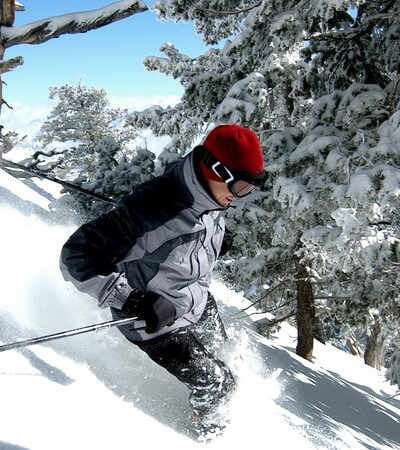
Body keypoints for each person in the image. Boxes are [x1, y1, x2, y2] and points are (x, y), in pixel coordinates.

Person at [59, 124, 266, 434]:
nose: (239, 199)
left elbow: (180, 239)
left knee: (224, 357)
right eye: (240, 189)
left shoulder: (206, 191)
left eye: (249, 190)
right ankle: (207, 437)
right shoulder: (156, 211)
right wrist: (131, 300)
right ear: (216, 169)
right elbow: (75, 255)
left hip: (194, 301)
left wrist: (213, 241)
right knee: (218, 383)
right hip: (154, 320)